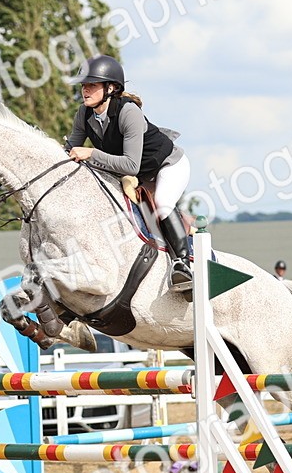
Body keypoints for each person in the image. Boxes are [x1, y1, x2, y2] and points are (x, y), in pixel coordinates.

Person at [64, 54, 194, 297]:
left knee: (163, 205)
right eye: (84, 86)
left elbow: (131, 165)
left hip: (167, 166)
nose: (85, 90)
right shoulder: (84, 114)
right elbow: (71, 149)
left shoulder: (128, 112)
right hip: (135, 173)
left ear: (110, 88)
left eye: (92, 85)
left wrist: (91, 153)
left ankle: (182, 265)